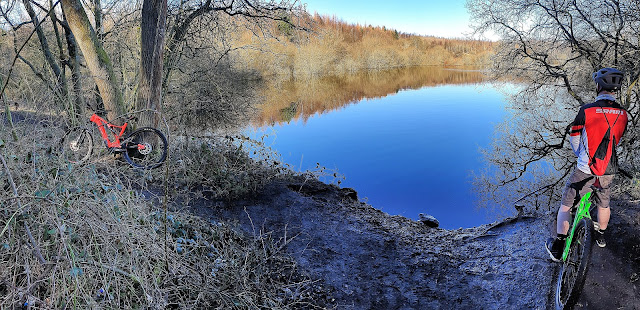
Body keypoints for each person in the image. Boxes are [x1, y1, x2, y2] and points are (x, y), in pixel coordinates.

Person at [546, 68, 629, 262]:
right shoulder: (623, 114)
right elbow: (616, 139)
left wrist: (581, 155)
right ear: (615, 90)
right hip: (608, 169)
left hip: (585, 168)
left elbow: (575, 138)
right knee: (604, 203)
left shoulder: (587, 110)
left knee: (566, 205)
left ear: (599, 86)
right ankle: (600, 237)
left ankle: (558, 246)